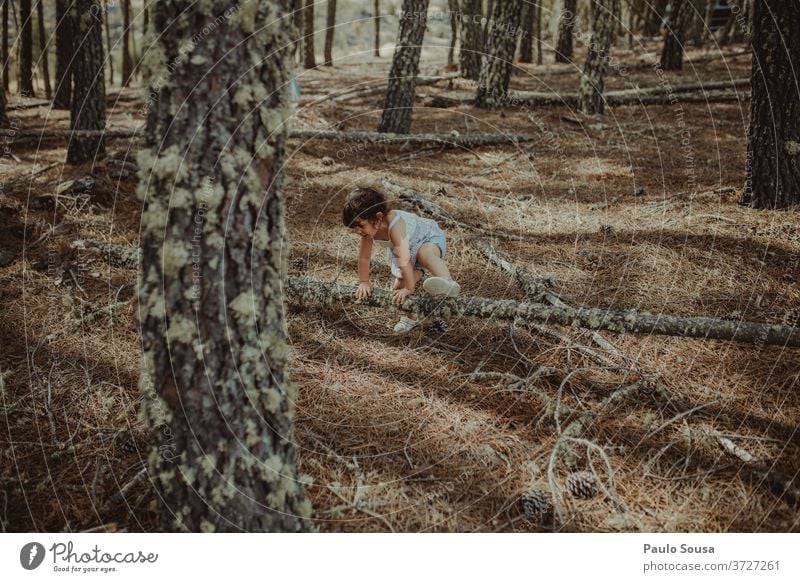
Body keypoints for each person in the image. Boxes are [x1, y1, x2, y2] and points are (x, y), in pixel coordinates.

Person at [342, 186, 461, 332]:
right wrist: (364, 282)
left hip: (427, 239)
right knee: (398, 289)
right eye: (353, 228)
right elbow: (364, 257)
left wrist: (409, 288)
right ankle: (412, 317)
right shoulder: (368, 232)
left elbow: (404, 259)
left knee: (424, 255)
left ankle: (446, 281)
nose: (357, 231)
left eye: (360, 225)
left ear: (378, 217)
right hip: (404, 251)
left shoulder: (395, 226)